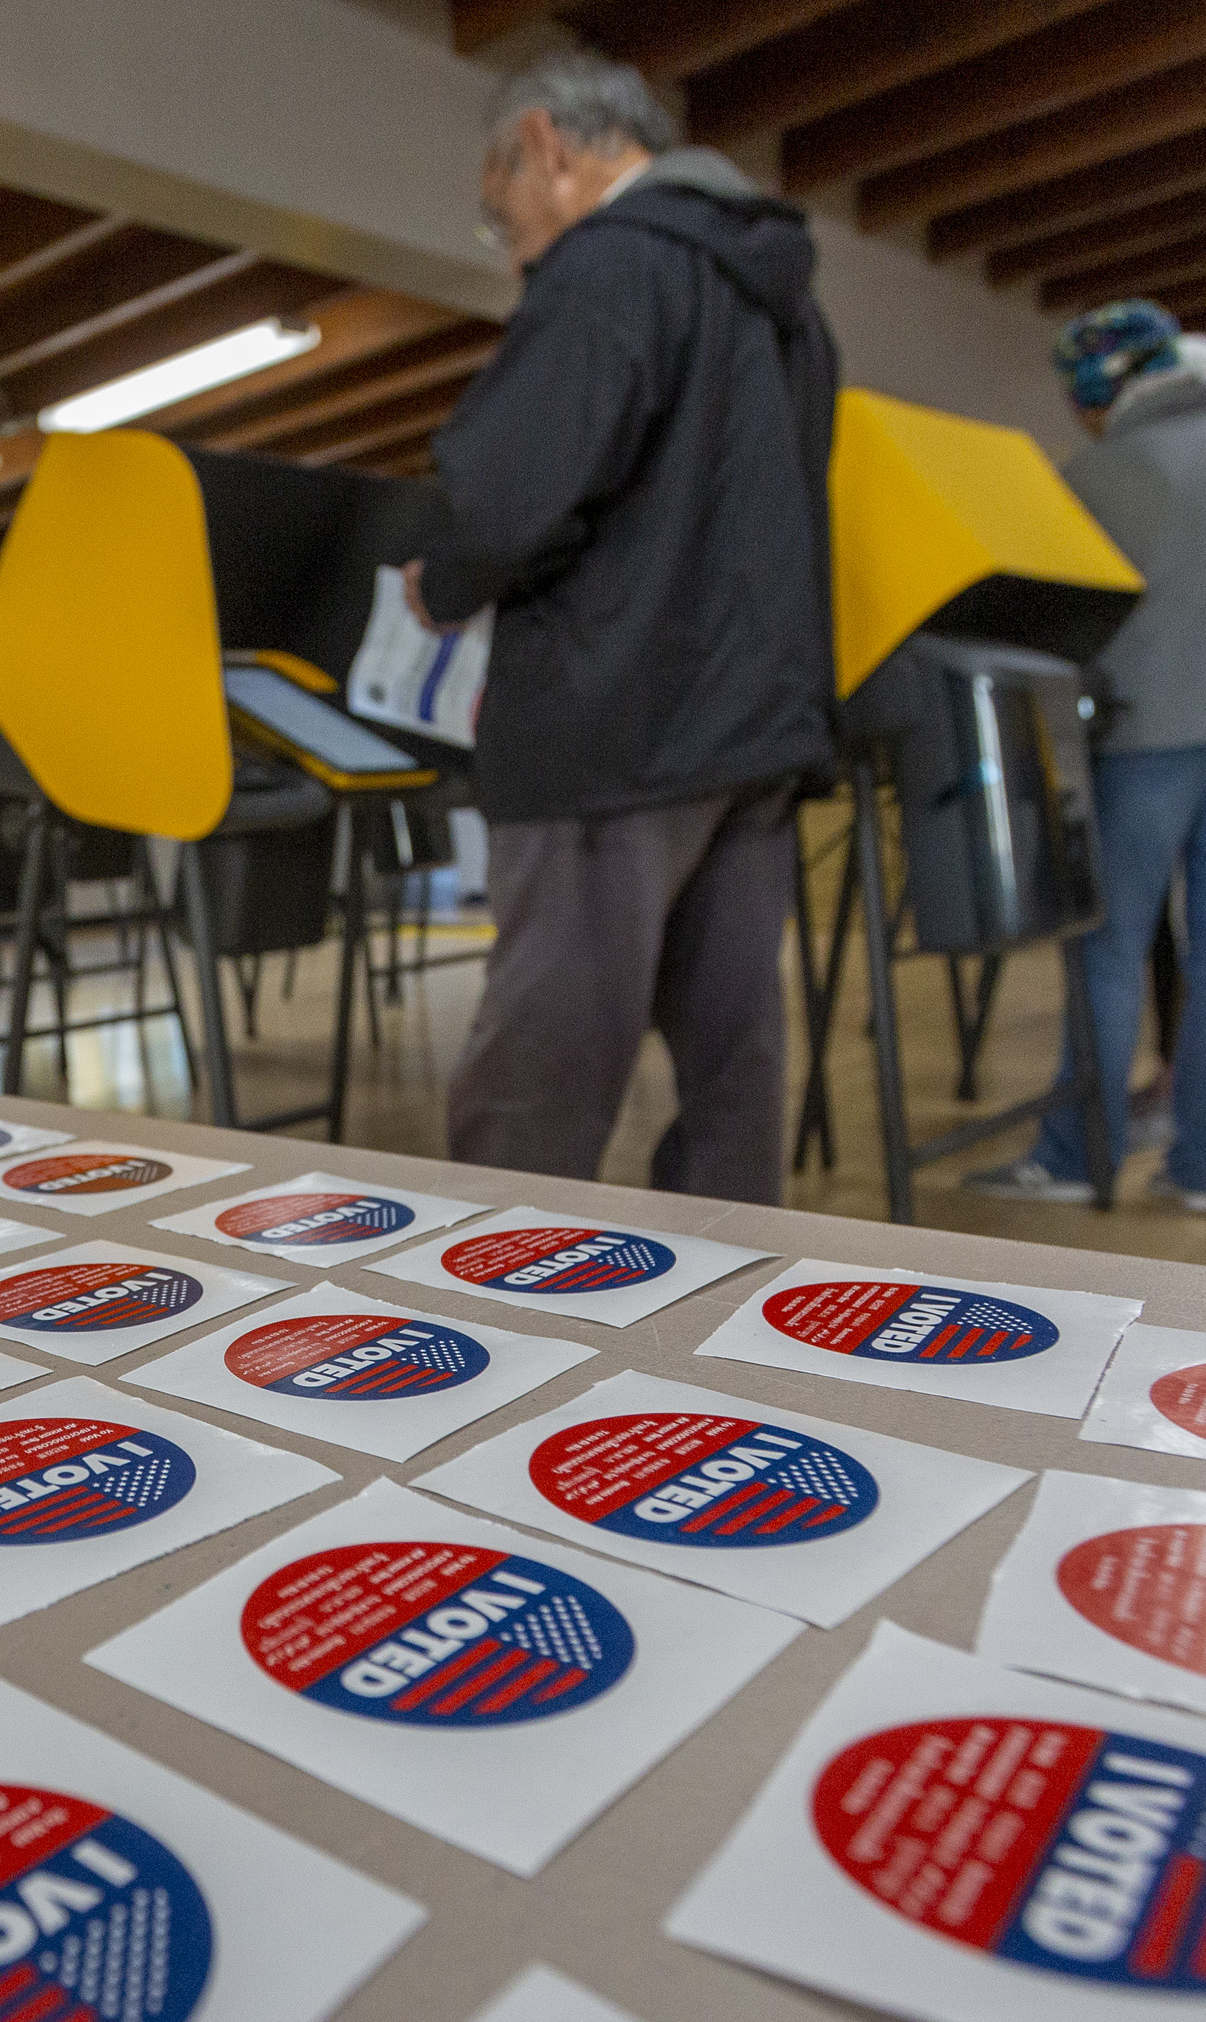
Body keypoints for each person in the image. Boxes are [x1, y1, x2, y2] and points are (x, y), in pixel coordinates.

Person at [406, 43, 838, 1203]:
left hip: (613, 730)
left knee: (540, 1077)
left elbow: (506, 497)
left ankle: (488, 1325)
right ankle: (717, 1322)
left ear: (543, 145)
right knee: (732, 1074)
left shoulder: (611, 269)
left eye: (503, 222)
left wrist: (435, 584)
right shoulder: (786, 307)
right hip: (751, 734)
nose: (513, 258)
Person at [966, 300, 1206, 1217]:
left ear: (1098, 388)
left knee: (1110, 949)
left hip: (1155, 729)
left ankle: (1079, 1156)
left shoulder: (1103, 470)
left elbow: (1076, 621)